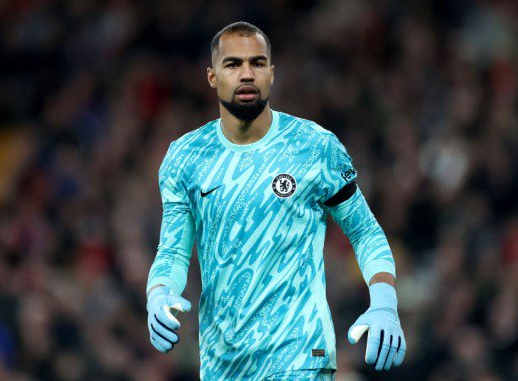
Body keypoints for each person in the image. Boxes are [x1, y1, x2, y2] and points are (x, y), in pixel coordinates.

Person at [145, 21, 406, 381]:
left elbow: (365, 233)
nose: (246, 74)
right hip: (222, 364)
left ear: (272, 73)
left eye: (257, 63)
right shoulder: (185, 157)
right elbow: (173, 252)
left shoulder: (314, 146)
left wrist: (384, 303)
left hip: (301, 354)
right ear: (211, 76)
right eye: (233, 64)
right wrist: (159, 294)